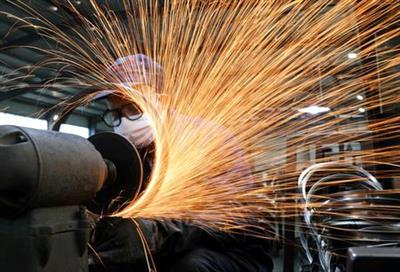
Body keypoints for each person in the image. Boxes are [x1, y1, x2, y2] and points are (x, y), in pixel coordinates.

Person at [89, 54, 274, 272]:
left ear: (162, 100)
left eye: (132, 108)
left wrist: (161, 232)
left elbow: (230, 215)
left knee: (189, 267)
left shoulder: (205, 138)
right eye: (115, 114)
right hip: (172, 248)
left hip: (232, 252)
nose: (123, 122)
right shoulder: (133, 154)